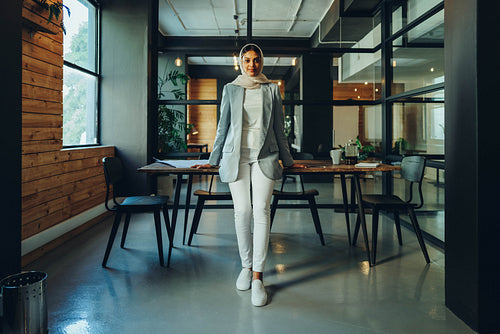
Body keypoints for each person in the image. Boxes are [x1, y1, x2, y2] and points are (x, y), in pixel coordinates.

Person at [192, 43, 306, 307]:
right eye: (247, 60)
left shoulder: (271, 89)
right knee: (242, 212)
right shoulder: (231, 89)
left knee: (261, 211)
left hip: (265, 157)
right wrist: (212, 160)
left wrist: (288, 162)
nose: (252, 65)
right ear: (240, 62)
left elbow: (279, 128)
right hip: (237, 157)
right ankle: (245, 266)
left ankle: (257, 276)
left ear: (261, 62)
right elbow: (223, 128)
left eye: (256, 60)